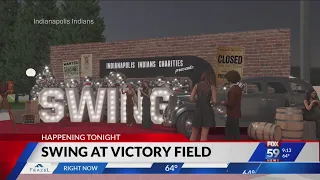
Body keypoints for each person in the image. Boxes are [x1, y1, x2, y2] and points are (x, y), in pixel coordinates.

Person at [189, 71, 216, 141]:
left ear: (202, 77)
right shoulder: (212, 87)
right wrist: (210, 102)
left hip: (198, 109)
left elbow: (191, 99)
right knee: (204, 135)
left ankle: (190, 149)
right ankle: (202, 150)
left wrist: (197, 101)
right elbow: (214, 101)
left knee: (194, 133)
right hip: (207, 110)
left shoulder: (197, 85)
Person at [221, 70, 242, 140]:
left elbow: (231, 103)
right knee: (236, 131)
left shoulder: (232, 90)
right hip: (237, 113)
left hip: (232, 114)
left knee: (228, 132)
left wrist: (223, 102)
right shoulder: (238, 88)